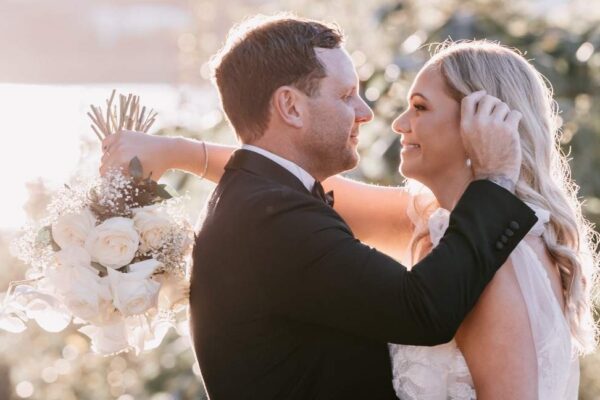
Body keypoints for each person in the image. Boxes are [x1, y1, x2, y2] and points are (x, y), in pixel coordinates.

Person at [100, 15, 539, 400]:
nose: (366, 112)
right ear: (290, 106)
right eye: (346, 95)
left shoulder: (264, 197)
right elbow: (421, 310)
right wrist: (495, 179)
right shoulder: (270, 217)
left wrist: (176, 151)